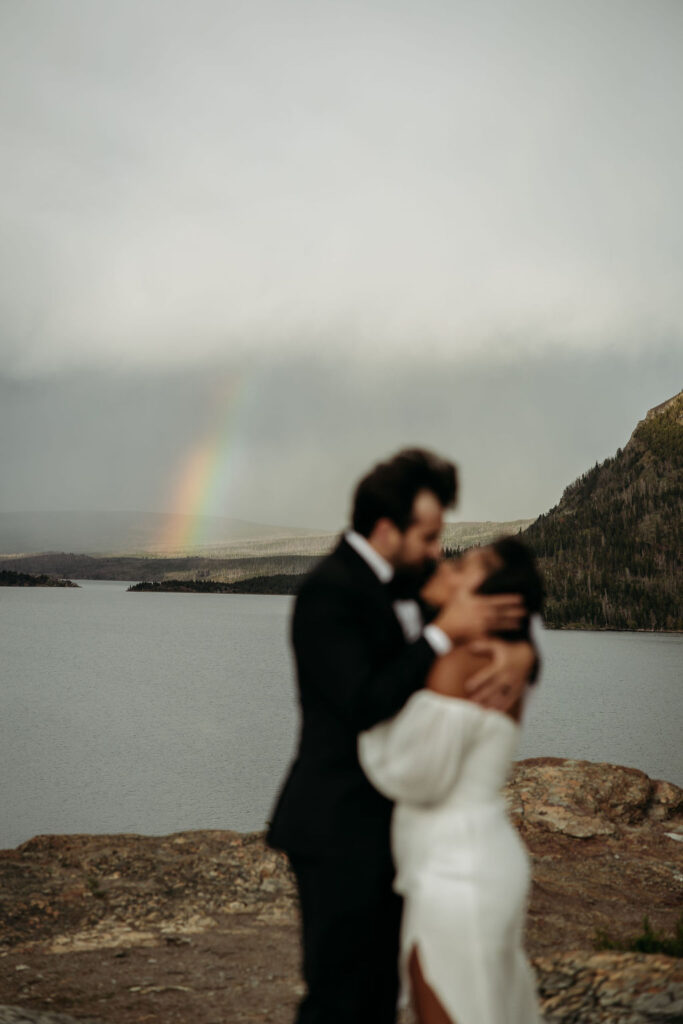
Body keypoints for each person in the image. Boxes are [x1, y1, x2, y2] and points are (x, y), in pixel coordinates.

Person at [267, 449, 537, 1024]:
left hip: (402, 836)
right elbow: (363, 702)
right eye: (429, 536)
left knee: (387, 998)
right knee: (340, 998)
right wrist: (440, 637)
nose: (438, 553)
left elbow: (501, 605)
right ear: (388, 530)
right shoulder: (329, 593)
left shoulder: (412, 577)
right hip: (337, 829)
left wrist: (520, 653)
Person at [358, 537, 545, 1024]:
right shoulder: (502, 655)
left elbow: (412, 775)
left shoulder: (463, 661)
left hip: (457, 874)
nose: (448, 564)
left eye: (467, 565)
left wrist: (361, 722)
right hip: (469, 861)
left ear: (491, 596)